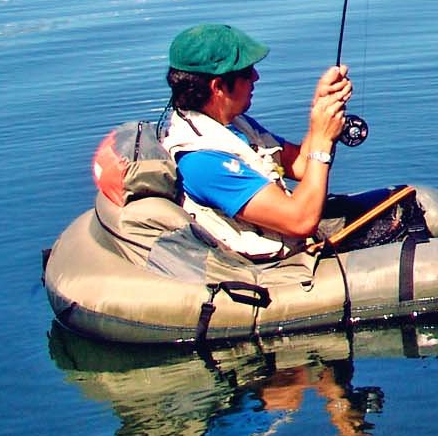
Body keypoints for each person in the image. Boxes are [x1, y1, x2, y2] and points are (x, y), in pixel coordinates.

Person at [161, 22, 415, 260]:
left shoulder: (233, 125)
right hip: (278, 267)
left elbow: (303, 165)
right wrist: (324, 139)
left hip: (291, 234)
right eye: (247, 72)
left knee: (417, 206)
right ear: (218, 87)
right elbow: (300, 221)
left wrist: (322, 107)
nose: (256, 77)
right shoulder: (202, 160)